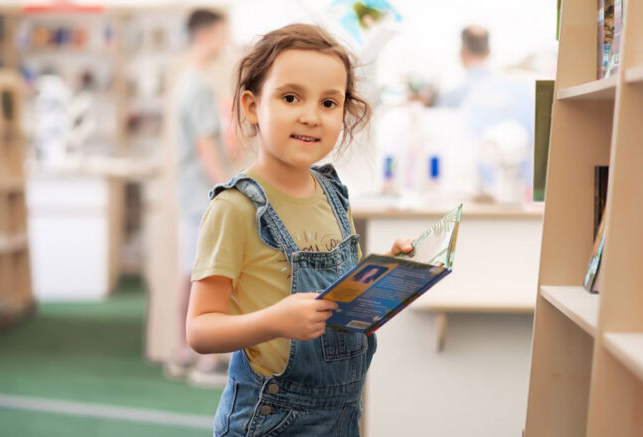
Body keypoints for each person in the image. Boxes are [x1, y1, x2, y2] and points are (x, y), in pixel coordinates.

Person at [186, 24, 414, 436]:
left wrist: (387, 278)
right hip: (271, 419)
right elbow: (200, 330)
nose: (311, 115)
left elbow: (342, 311)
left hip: (343, 414)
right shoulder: (235, 209)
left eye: (329, 102)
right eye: (291, 97)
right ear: (252, 106)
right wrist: (275, 321)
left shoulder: (333, 194)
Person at [167, 8, 232, 387]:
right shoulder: (197, 85)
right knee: (198, 276)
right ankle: (200, 361)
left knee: (189, 273)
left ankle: (183, 353)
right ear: (208, 34)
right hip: (199, 195)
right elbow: (206, 145)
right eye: (224, 34)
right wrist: (227, 190)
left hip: (190, 193)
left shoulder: (189, 82)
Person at [437, 25, 535, 202]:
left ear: (462, 53)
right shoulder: (520, 90)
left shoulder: (455, 98)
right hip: (522, 199)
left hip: (472, 198)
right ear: (489, 51)